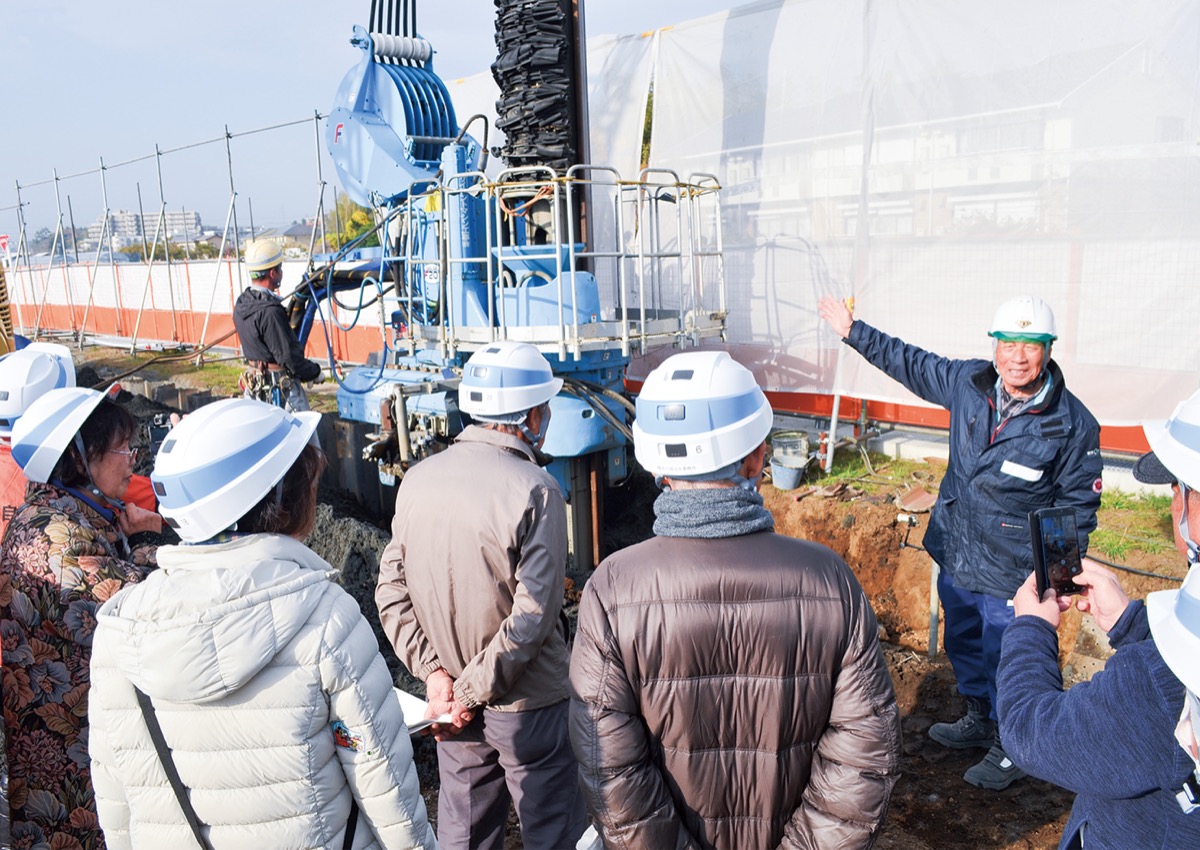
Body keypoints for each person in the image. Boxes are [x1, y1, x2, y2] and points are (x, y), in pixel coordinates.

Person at [569, 350, 901, 849]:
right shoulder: (828, 579)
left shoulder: (614, 588)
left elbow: (608, 763)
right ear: (756, 457)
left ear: (657, 466)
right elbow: (864, 751)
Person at [88, 398, 437, 850]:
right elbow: (385, 785)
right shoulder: (326, 619)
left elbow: (116, 807)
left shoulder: (121, 632)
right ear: (281, 499)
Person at [818, 293, 1102, 790]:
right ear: (994, 346)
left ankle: (1014, 743)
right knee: (964, 641)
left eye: (1030, 345)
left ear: (1049, 349)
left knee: (1011, 654)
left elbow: (1077, 506)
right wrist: (853, 331)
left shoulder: (1072, 425)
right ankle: (978, 717)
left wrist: (1056, 579)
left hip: (1014, 570)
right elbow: (910, 362)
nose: (1018, 356)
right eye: (1008, 343)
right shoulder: (969, 384)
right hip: (958, 549)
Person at [376, 340, 586, 850]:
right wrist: (469, 691)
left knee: (466, 827)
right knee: (553, 828)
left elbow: (390, 591)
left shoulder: (418, 480)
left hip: (450, 706)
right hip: (529, 706)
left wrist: (438, 677)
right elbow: (532, 617)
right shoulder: (538, 490)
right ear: (531, 415)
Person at [997, 388, 1200, 849]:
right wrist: (1133, 624)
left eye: (1177, 488)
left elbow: (1032, 730)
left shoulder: (1159, 687)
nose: (1172, 503)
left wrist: (1031, 629)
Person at [2, 386, 160, 850]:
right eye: (122, 450)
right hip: (69, 769)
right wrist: (161, 537)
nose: (132, 461)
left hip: (70, 752)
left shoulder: (57, 514)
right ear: (80, 459)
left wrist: (134, 538)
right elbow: (148, 603)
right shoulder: (59, 541)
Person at [233, 239, 323, 411]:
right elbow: (289, 358)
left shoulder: (242, 304)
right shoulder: (270, 311)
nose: (281, 272)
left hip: (255, 390)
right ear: (273, 273)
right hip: (281, 392)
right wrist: (315, 372)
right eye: (279, 269)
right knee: (302, 436)